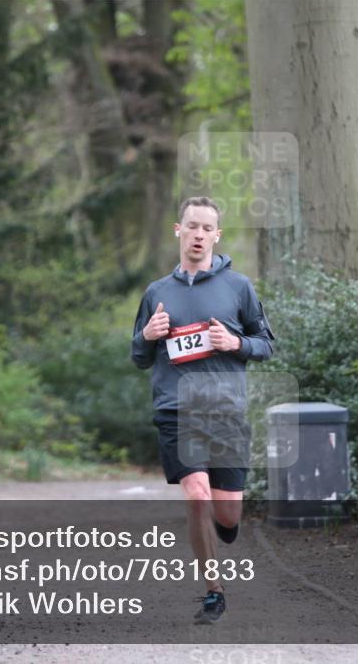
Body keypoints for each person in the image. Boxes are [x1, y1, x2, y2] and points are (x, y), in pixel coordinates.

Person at [131, 196, 275, 624]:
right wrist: (148, 336)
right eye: (191, 226)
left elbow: (266, 344)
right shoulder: (157, 293)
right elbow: (139, 357)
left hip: (226, 413)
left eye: (206, 228)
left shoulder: (238, 287)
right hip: (177, 411)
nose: (198, 234)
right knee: (196, 494)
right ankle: (214, 591)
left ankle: (225, 524)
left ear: (217, 236)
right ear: (178, 230)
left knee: (226, 513)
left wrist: (235, 343)